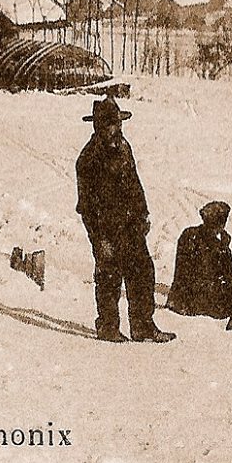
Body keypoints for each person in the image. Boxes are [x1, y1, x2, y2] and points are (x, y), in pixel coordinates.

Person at [75, 95, 174, 343]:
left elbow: (134, 185)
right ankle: (108, 328)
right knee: (109, 277)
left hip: (131, 226)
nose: (116, 129)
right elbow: (86, 208)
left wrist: (143, 214)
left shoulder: (123, 147)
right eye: (111, 124)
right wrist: (98, 240)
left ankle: (143, 327)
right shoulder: (88, 159)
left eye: (118, 123)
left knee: (142, 272)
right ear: (99, 127)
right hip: (106, 229)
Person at [168, 201, 232, 332]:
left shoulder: (193, 234)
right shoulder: (199, 238)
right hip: (191, 298)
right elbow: (216, 271)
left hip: (190, 294)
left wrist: (224, 247)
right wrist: (223, 248)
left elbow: (224, 272)